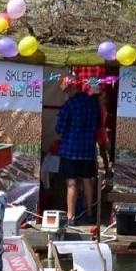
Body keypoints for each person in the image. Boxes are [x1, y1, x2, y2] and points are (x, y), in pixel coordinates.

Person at [56, 81, 105, 224]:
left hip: (70, 150)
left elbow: (59, 129)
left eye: (67, 90)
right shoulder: (92, 103)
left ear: (72, 88)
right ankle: (89, 213)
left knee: (71, 183)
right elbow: (98, 125)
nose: (66, 93)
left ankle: (71, 217)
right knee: (87, 180)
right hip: (88, 150)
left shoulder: (69, 105)